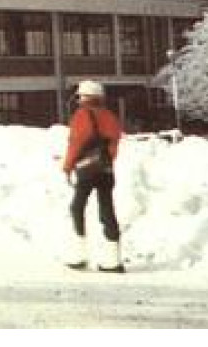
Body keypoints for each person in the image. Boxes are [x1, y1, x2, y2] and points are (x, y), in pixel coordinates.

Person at [62, 78, 124, 273]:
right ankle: (113, 259)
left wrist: (67, 166)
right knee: (107, 210)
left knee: (77, 207)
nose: (79, 100)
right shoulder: (110, 116)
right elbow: (114, 143)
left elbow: (76, 143)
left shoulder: (81, 116)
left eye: (80, 96)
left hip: (87, 170)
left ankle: (79, 254)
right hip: (106, 170)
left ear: (86, 97)